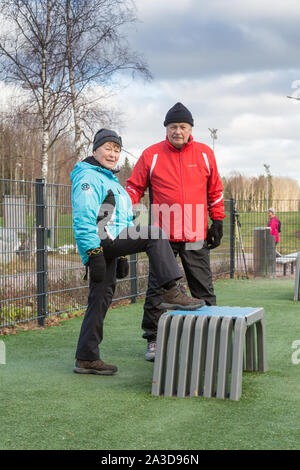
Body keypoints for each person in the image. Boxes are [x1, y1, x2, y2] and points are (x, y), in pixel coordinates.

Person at [71, 128, 204, 376]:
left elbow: (117, 221)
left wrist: (120, 255)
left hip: (109, 243)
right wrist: (94, 252)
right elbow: (84, 218)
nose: (112, 154)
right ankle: (172, 289)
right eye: (107, 148)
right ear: (95, 149)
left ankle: (86, 357)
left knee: (99, 300)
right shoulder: (88, 177)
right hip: (100, 244)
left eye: (117, 150)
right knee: (154, 234)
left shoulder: (110, 179)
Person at [126, 103, 226, 361]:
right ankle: (154, 339)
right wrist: (122, 211)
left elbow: (215, 190)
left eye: (182, 127)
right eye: (173, 127)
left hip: (195, 235)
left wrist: (217, 221)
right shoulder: (151, 155)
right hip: (163, 238)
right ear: (166, 129)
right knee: (158, 289)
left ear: (190, 128)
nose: (177, 131)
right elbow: (134, 188)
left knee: (202, 286)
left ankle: (210, 336)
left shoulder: (205, 154)